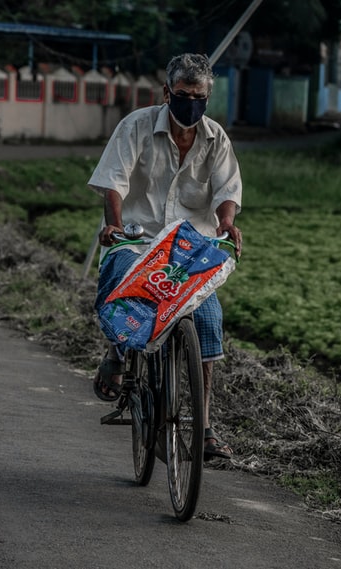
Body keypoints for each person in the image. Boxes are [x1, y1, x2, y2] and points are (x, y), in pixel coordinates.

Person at [88, 53, 242, 460]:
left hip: (190, 249)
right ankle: (118, 352)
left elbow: (228, 193)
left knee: (207, 317)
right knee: (123, 279)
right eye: (183, 94)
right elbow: (113, 185)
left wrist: (226, 224)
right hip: (140, 239)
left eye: (198, 96)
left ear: (207, 98)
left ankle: (206, 427)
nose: (190, 103)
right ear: (166, 93)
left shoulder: (216, 139)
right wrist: (115, 226)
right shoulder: (135, 127)